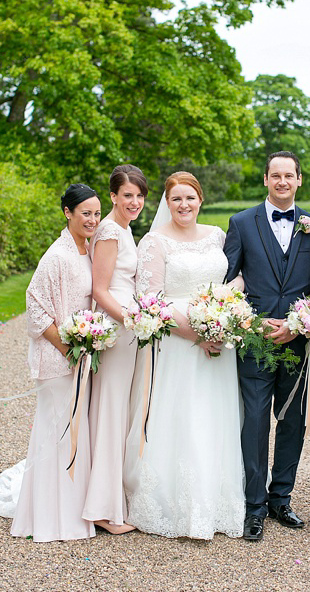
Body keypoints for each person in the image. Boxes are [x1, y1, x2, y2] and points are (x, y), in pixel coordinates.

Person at [122, 172, 245, 539]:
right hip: (175, 341)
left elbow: (234, 279)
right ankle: (169, 501)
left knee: (214, 413)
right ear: (167, 202)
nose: (184, 205)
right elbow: (151, 299)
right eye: (176, 199)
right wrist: (198, 333)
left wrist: (227, 311)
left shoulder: (216, 235)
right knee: (180, 414)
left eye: (190, 197)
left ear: (200, 199)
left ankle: (217, 498)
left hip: (219, 337)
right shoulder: (154, 242)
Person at [0, 183, 101, 542]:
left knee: (72, 433)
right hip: (57, 361)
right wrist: (68, 347)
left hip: (80, 355)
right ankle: (51, 519)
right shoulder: (57, 256)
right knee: (57, 434)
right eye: (86, 213)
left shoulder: (86, 250)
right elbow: (35, 307)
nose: (93, 220)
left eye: (97, 213)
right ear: (68, 213)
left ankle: (70, 510)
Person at [223, 151, 310, 541]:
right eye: (275, 175)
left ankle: (281, 498)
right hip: (254, 342)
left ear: (299, 180)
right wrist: (250, 321)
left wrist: (300, 324)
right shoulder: (240, 223)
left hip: (298, 342)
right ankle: (253, 508)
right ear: (265, 180)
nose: (282, 181)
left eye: (289, 175)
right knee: (253, 422)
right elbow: (228, 283)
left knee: (294, 422)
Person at [83, 164, 147, 535]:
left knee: (117, 411)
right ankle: (102, 510)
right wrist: (130, 319)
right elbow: (100, 290)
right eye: (128, 195)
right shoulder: (109, 230)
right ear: (113, 196)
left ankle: (109, 498)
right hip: (117, 327)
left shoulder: (124, 229)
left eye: (139, 196)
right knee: (109, 410)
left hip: (128, 328)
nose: (134, 202)